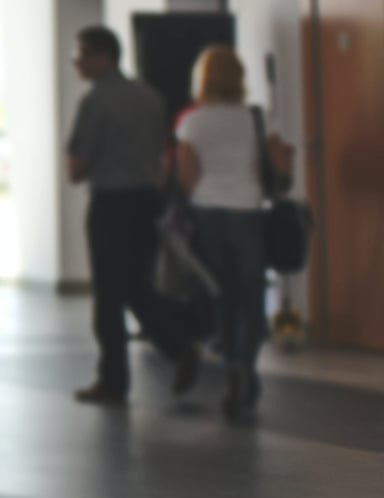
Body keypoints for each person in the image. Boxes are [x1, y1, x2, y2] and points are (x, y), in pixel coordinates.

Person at [66, 25, 200, 404]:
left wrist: (84, 164)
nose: (77, 63)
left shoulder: (95, 102)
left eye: (82, 54)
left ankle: (114, 380)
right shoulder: (151, 97)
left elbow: (77, 167)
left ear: (103, 56)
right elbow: (163, 153)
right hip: (146, 202)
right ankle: (178, 344)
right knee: (138, 286)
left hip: (110, 204)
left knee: (109, 294)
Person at [175, 45, 293, 420]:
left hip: (208, 216)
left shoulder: (192, 123)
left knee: (221, 296)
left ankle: (230, 369)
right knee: (251, 295)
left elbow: (187, 180)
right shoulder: (256, 119)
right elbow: (280, 167)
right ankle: (244, 366)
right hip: (247, 213)